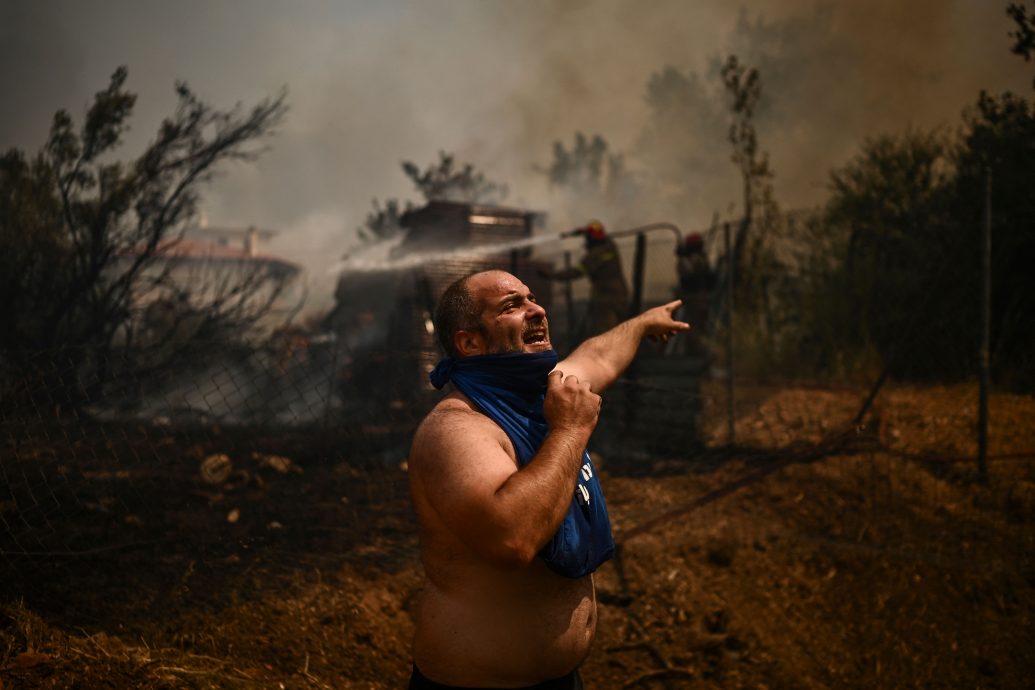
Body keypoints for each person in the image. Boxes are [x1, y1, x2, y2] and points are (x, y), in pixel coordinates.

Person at [407, 269, 688, 689]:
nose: (536, 310)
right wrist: (571, 431)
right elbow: (512, 539)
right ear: (470, 342)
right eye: (511, 306)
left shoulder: (544, 393)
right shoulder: (457, 430)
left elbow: (598, 357)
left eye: (532, 298)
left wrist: (643, 322)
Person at [539, 220, 630, 339]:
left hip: (605, 296)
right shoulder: (610, 246)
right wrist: (584, 231)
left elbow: (576, 272)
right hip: (620, 293)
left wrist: (552, 275)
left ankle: (607, 354)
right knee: (623, 326)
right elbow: (602, 237)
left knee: (605, 331)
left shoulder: (595, 254)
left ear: (590, 239)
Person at [673, 232, 715, 355]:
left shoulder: (696, 260)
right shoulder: (691, 260)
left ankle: (696, 352)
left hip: (696, 299)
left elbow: (693, 274)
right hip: (692, 298)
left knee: (696, 329)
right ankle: (692, 352)